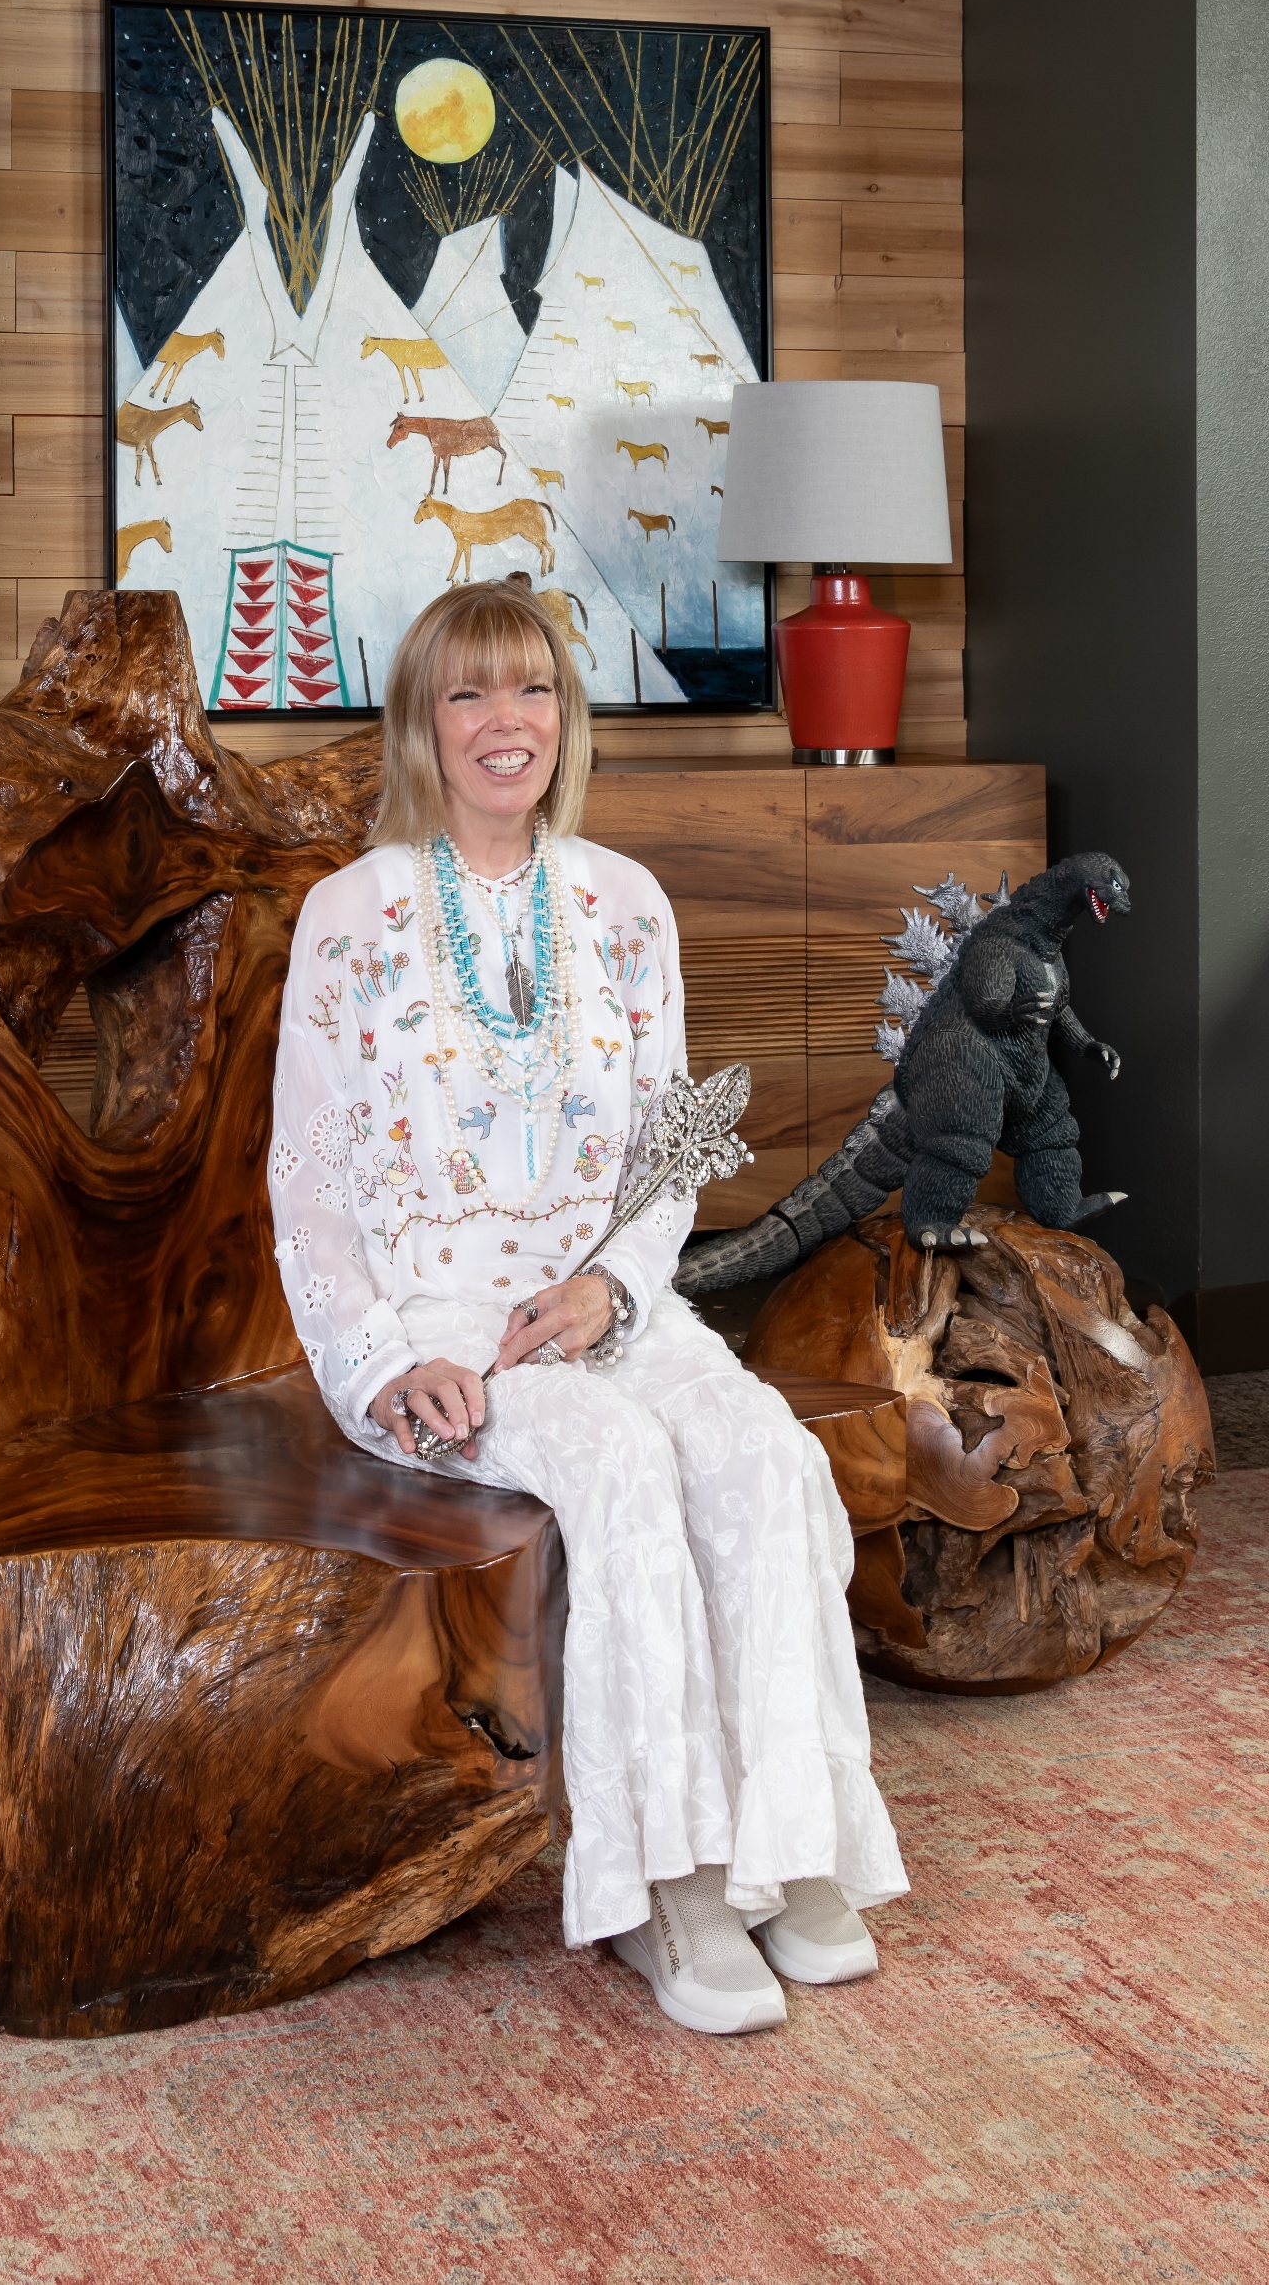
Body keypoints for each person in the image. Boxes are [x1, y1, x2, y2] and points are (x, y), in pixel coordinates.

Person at [267, 579, 907, 2036]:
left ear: (568, 715)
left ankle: (789, 1844)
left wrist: (615, 1284)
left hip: (601, 1301)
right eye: (471, 695)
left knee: (760, 1454)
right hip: (442, 1328)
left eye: (535, 690)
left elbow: (674, 1147)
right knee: (620, 1470)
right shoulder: (346, 917)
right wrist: (382, 1361)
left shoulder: (627, 902)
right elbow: (304, 1182)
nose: (509, 724)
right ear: (424, 727)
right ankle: (668, 1883)